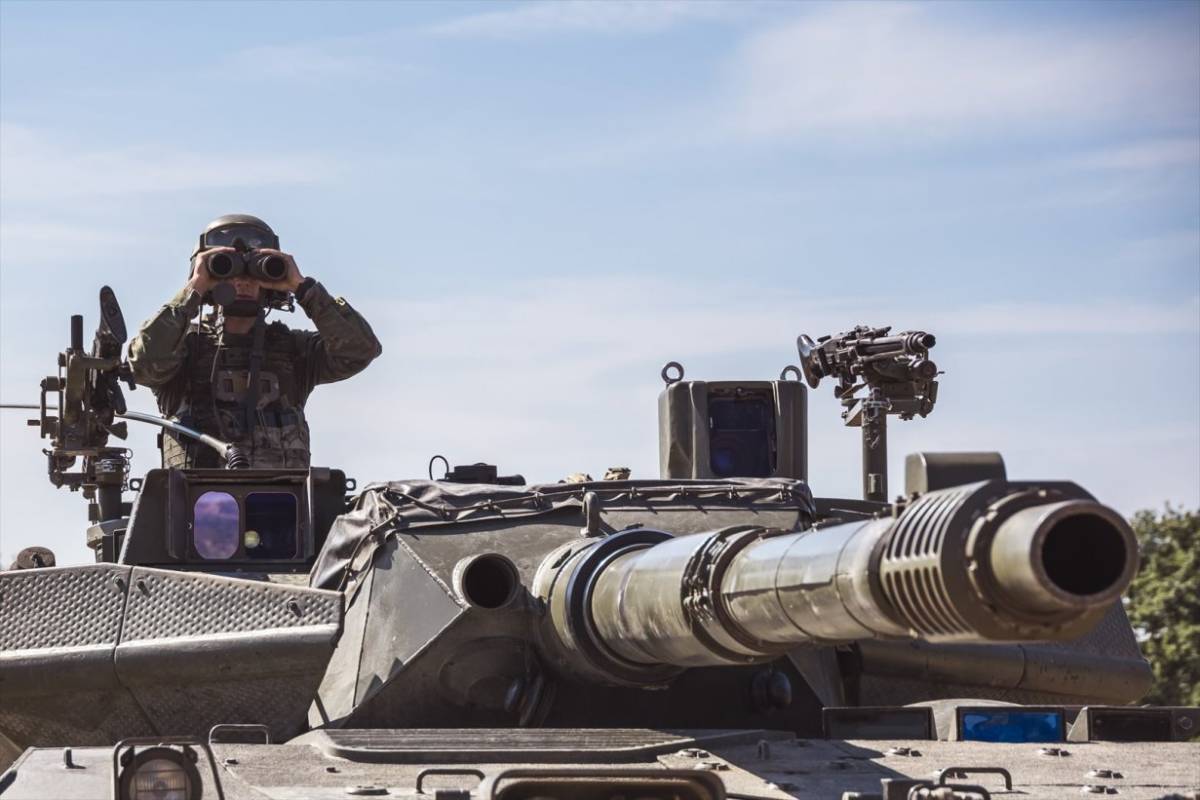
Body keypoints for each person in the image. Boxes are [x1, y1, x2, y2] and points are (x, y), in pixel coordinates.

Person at [128, 214, 382, 468]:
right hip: (194, 502)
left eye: (253, 271)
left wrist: (303, 288)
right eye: (228, 269)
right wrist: (195, 288)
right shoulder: (183, 349)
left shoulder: (294, 351)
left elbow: (360, 350)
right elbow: (143, 362)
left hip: (284, 501)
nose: (243, 280)